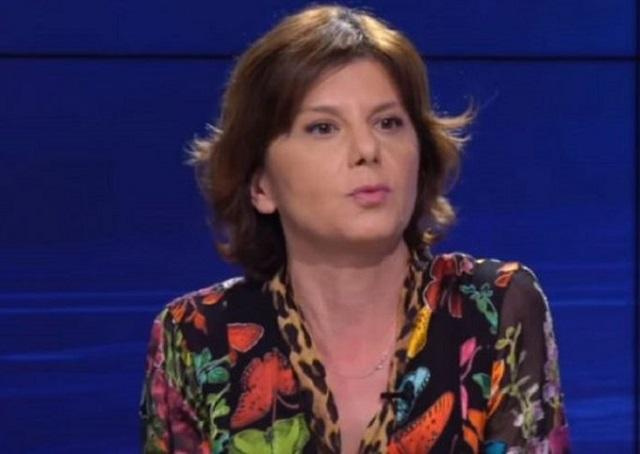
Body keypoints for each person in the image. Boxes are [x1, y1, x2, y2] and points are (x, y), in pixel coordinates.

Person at [139, 4, 570, 453]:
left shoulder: (494, 308)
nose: (367, 148)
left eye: (388, 123)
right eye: (323, 128)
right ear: (261, 184)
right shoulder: (195, 338)